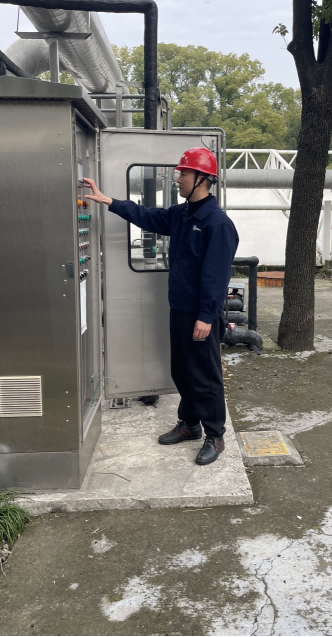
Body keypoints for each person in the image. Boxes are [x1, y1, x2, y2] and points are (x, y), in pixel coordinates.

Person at [83, 147, 239, 465]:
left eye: (184, 173)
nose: (178, 178)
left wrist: (206, 316)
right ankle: (190, 424)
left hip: (200, 315)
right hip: (179, 309)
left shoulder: (217, 223)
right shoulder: (181, 215)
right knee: (181, 371)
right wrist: (109, 201)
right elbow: (147, 216)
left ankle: (215, 434)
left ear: (202, 179)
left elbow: (216, 276)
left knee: (205, 375)